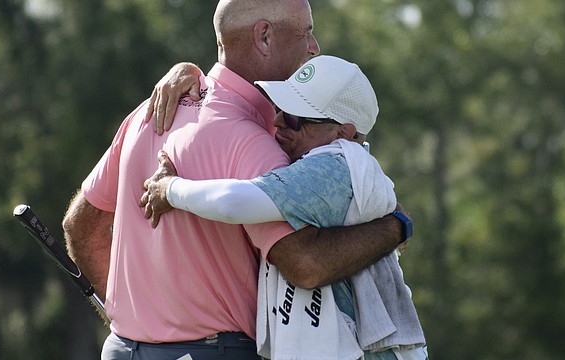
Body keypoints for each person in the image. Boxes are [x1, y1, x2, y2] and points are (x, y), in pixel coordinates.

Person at [62, 1, 407, 359]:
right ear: (264, 36)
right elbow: (306, 264)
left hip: (121, 349)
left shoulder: (146, 114)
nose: (314, 45)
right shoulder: (255, 146)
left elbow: (80, 225)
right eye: (305, 32)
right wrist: (396, 226)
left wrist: (133, 324)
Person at [142, 55, 428, 360]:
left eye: (294, 118)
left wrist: (169, 189)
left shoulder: (334, 164)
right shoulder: (352, 164)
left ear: (343, 134)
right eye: (280, 108)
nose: (277, 121)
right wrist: (189, 72)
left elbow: (233, 203)